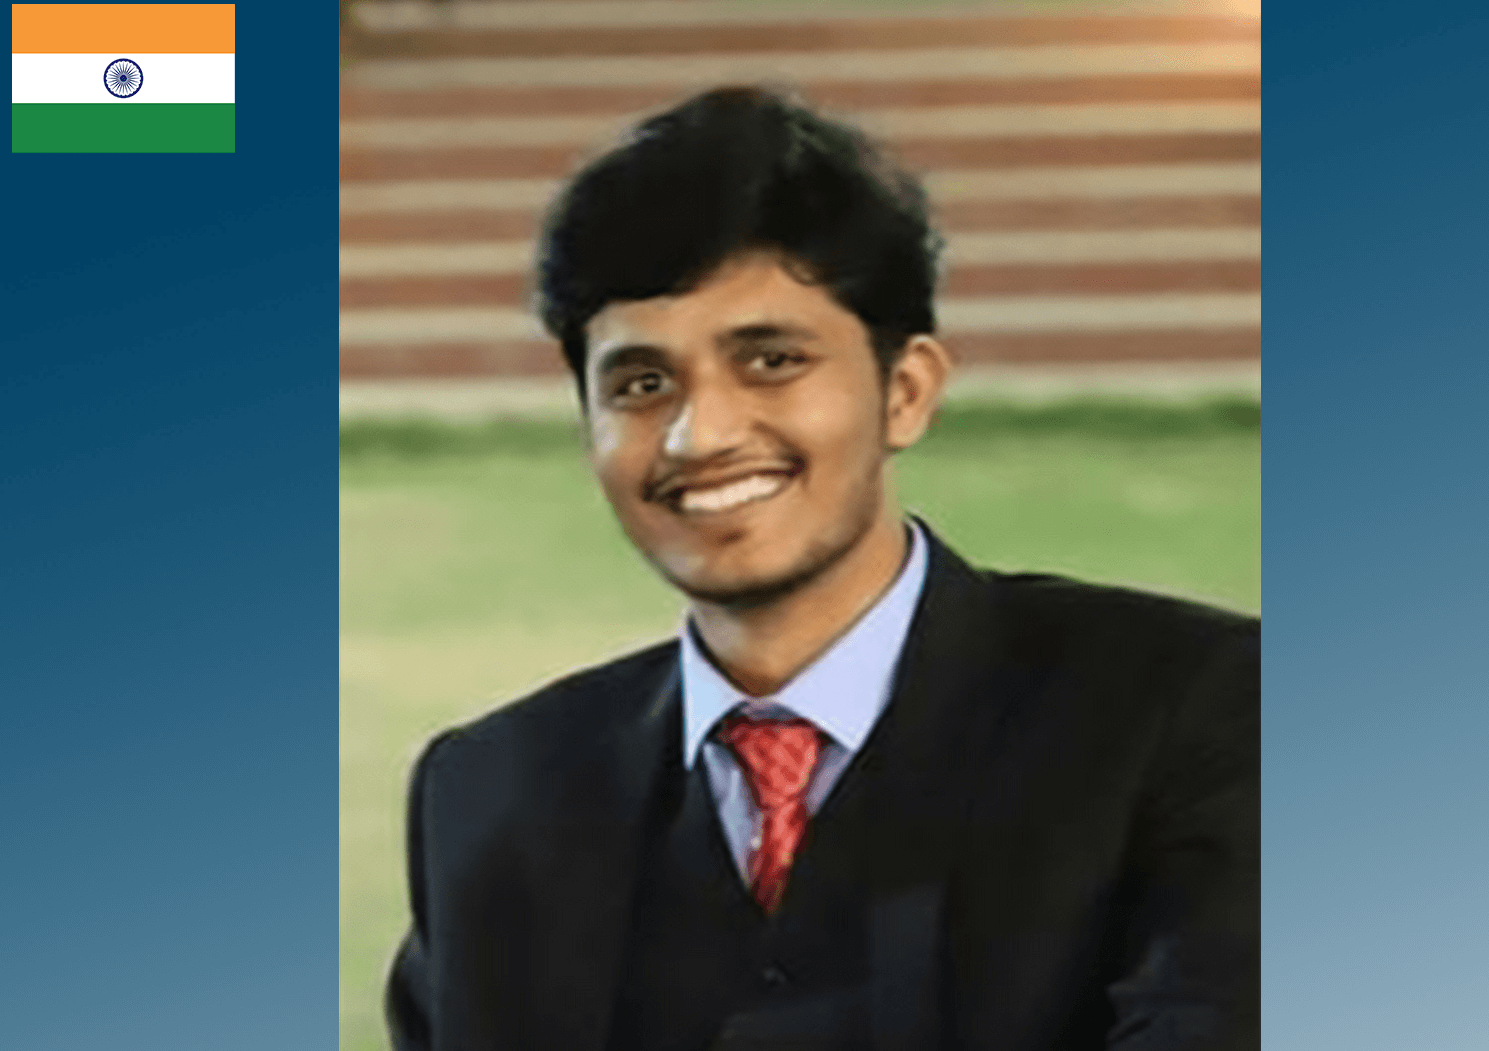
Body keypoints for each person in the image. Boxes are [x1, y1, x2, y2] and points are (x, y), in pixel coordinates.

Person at [386, 86, 1258, 1051]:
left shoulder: (1193, 713)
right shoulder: (494, 796)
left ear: (907, 390)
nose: (699, 433)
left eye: (770, 361)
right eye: (640, 383)